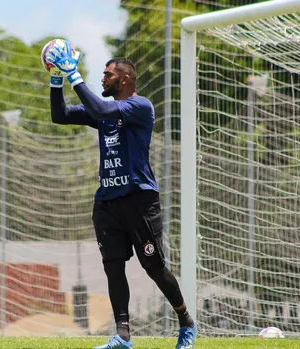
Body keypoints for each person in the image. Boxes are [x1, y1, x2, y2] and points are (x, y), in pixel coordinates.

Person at [44, 40, 197, 349]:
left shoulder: (140, 106)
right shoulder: (102, 113)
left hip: (140, 200)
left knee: (154, 267)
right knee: (113, 265)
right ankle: (123, 336)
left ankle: (186, 322)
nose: (103, 78)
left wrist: (76, 75)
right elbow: (59, 115)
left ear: (124, 80)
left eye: (108, 74)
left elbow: (101, 107)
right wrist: (57, 78)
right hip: (107, 202)